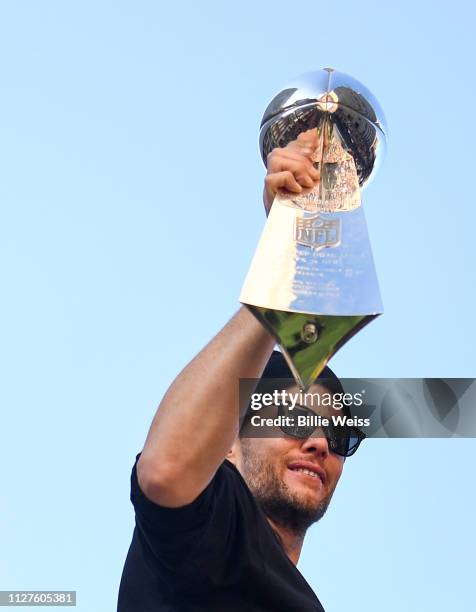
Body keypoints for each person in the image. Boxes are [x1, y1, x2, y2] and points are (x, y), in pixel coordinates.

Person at [117, 132, 365, 611]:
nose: (319, 443)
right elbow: (166, 471)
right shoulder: (214, 525)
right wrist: (284, 252)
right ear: (228, 443)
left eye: (340, 436)